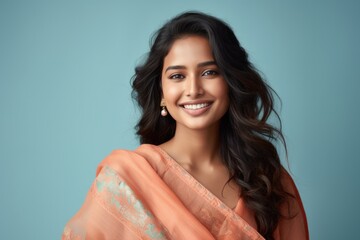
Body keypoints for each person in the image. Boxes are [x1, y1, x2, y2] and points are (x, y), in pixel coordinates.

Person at [62, 11, 309, 240]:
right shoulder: (127, 181)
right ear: (161, 92)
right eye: (177, 76)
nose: (193, 90)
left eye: (209, 72)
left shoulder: (268, 180)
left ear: (231, 83)